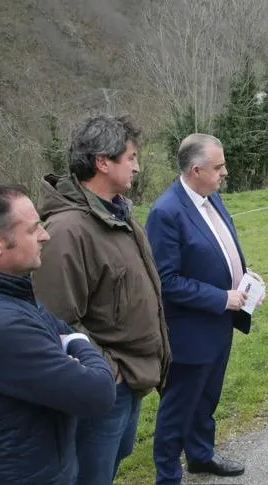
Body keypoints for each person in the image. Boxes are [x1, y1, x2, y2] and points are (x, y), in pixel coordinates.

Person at [0, 183, 116, 485]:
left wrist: (63, 339)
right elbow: (98, 392)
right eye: (32, 230)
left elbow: (55, 325)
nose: (46, 235)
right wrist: (80, 341)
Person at [32, 115, 172, 485]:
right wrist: (110, 373)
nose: (138, 166)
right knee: (89, 476)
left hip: (132, 376)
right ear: (102, 162)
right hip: (105, 386)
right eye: (131, 157)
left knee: (110, 465)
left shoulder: (119, 213)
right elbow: (56, 321)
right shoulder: (67, 231)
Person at [146, 133, 263, 485]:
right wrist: (219, 297)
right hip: (188, 331)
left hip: (219, 324)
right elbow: (165, 280)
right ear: (196, 170)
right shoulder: (165, 212)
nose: (225, 172)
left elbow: (222, 248)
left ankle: (200, 455)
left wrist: (246, 281)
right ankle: (167, 476)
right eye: (219, 166)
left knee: (207, 398)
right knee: (177, 407)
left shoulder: (211, 198)